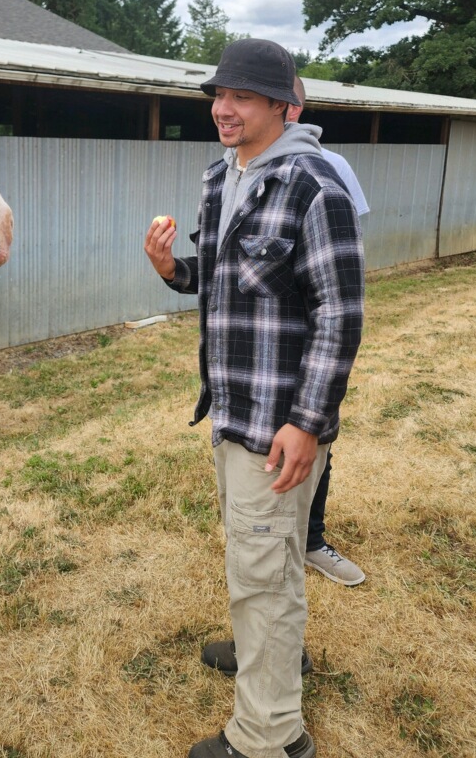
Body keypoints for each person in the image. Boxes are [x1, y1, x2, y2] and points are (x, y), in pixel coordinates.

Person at [144, 39, 364, 758]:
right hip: (233, 412)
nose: (222, 109)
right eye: (218, 95)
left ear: (280, 105)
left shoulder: (315, 185)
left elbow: (339, 314)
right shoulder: (222, 176)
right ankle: (271, 656)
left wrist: (307, 423)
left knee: (263, 572)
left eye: (240, 97)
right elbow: (215, 270)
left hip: (279, 424)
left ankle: (269, 734)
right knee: (260, 559)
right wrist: (170, 265)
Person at [286, 75, 368, 588]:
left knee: (316, 433)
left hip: (309, 329)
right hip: (261, 339)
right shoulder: (236, 165)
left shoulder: (330, 167)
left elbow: (347, 248)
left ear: (291, 107)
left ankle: (311, 539)